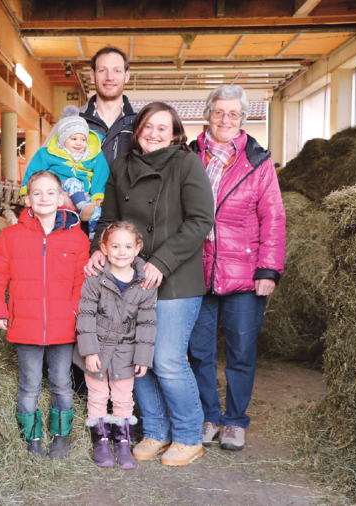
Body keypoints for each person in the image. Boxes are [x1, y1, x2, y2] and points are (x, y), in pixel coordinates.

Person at [84, 102, 214, 466]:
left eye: (162, 128)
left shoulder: (187, 163)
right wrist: (98, 249)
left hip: (175, 276)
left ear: (175, 134)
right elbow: (109, 218)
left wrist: (161, 261)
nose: (154, 134)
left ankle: (188, 436)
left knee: (167, 359)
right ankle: (155, 432)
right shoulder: (122, 167)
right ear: (137, 130)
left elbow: (201, 220)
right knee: (133, 356)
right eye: (147, 127)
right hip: (130, 275)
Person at [187, 85, 286, 452]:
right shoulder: (189, 156)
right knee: (199, 350)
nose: (225, 120)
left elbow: (273, 217)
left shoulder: (258, 162)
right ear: (207, 115)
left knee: (241, 350)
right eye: (218, 112)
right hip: (196, 271)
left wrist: (268, 269)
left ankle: (234, 421)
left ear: (242, 118)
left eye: (233, 114)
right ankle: (209, 416)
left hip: (245, 273)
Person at [0, 170, 89, 458]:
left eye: (50, 192)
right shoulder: (11, 235)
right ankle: (32, 440)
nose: (44, 198)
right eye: (37, 193)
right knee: (29, 384)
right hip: (25, 324)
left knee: (62, 382)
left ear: (61, 198)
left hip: (64, 325)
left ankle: (61, 436)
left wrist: (75, 312)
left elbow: (83, 281)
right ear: (27, 199)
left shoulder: (77, 239)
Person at [74, 221, 157, 469]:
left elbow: (147, 322)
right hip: (98, 346)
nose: (122, 252)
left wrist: (143, 356)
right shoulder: (95, 278)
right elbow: (86, 315)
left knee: (123, 397)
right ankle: (100, 440)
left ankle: (122, 441)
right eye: (116, 246)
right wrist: (89, 351)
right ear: (104, 248)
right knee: (98, 395)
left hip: (127, 350)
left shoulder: (145, 283)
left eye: (128, 246)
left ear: (137, 248)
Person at [21, 105, 110, 238]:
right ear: (63, 139)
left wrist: (97, 194)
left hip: (84, 193)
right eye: (73, 139)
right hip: (60, 186)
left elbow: (101, 174)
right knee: (73, 182)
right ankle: (81, 208)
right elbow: (33, 171)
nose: (79, 143)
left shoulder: (94, 155)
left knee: (97, 211)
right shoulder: (48, 154)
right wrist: (26, 189)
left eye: (83, 139)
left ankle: (93, 237)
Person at [80, 46, 138, 166]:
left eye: (117, 70)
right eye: (102, 70)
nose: (109, 77)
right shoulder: (74, 119)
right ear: (92, 75)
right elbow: (42, 166)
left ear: (126, 76)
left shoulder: (141, 121)